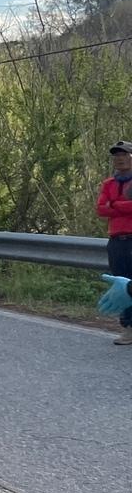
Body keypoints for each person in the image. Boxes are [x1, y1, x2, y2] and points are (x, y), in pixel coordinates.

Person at [96, 141, 132, 345]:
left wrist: (115, 205)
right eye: (116, 155)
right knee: (122, 284)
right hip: (117, 240)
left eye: (124, 154)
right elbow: (101, 209)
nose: (119, 158)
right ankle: (128, 328)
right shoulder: (108, 183)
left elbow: (109, 206)